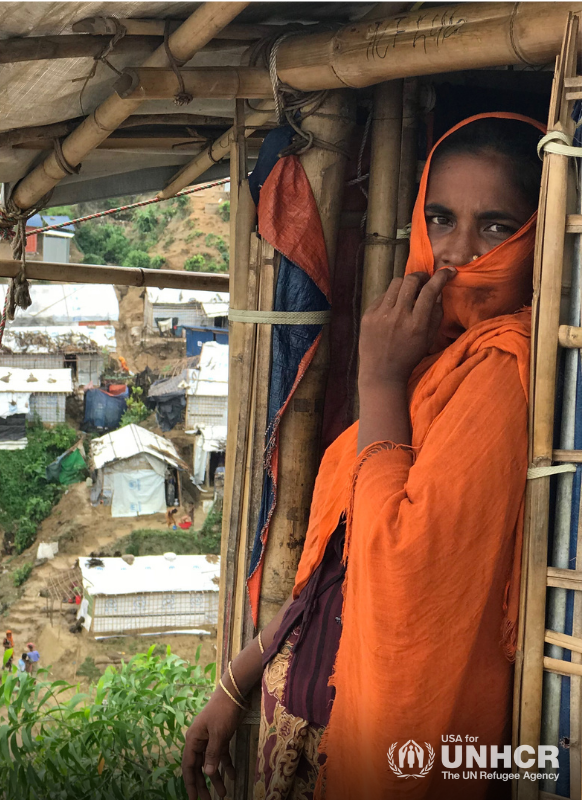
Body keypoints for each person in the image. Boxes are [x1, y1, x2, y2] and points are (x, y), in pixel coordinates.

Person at [180, 113, 543, 800]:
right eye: (439, 219)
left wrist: (375, 382)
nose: (458, 253)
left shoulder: (503, 372)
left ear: (537, 235)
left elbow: (402, 562)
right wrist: (238, 678)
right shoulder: (431, 359)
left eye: (496, 226)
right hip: (307, 723)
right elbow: (341, 566)